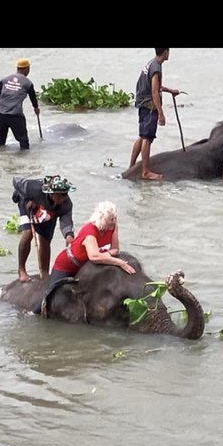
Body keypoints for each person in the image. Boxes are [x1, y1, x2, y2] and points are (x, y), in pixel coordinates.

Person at [45, 202, 136, 297]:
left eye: (115, 218)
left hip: (87, 264)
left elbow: (115, 249)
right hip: (68, 264)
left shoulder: (112, 227)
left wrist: (106, 254)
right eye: (111, 219)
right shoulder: (90, 231)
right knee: (52, 294)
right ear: (102, 219)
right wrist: (119, 262)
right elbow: (94, 257)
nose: (114, 221)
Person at [12, 174, 76, 282]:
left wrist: (69, 235)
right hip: (28, 207)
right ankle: (21, 269)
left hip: (49, 214)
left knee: (45, 240)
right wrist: (27, 198)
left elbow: (66, 222)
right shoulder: (34, 189)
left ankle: (45, 273)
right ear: (51, 193)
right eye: (60, 196)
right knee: (28, 233)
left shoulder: (66, 204)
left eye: (65, 194)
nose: (63, 198)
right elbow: (16, 180)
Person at [129, 48, 180, 180]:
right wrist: (161, 113)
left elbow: (156, 86)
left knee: (142, 136)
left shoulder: (151, 64)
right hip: (149, 106)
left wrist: (170, 90)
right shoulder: (156, 68)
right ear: (165, 52)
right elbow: (154, 92)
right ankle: (145, 172)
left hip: (142, 103)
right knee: (147, 138)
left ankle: (131, 166)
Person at [0, 58, 41, 150]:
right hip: (15, 115)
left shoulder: (4, 79)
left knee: (1, 142)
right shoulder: (27, 83)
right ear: (26, 69)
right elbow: (33, 97)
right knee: (24, 142)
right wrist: (36, 108)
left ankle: (1, 156)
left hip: (2, 113)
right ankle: (25, 158)